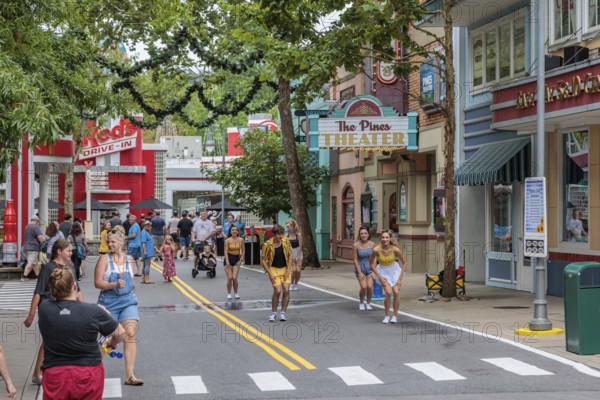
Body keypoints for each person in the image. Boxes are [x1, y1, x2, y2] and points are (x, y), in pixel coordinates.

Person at [40, 267, 125, 399]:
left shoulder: (44, 309)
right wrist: (111, 344)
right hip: (87, 372)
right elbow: (120, 332)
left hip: (55, 372)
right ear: (75, 286)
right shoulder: (93, 311)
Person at [24, 239, 83, 386]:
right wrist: (31, 315)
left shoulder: (71, 266)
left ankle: (62, 371)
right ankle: (37, 373)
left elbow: (77, 288)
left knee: (63, 339)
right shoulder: (48, 268)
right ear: (59, 251)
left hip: (69, 306)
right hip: (50, 307)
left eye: (71, 251)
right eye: (68, 250)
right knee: (49, 341)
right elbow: (38, 291)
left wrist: (83, 308)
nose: (71, 253)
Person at [94, 227, 143, 386]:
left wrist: (128, 289)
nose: (110, 244)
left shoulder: (129, 259)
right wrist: (114, 284)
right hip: (109, 302)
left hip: (127, 301)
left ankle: (130, 376)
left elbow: (132, 281)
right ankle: (90, 369)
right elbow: (97, 283)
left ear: (122, 242)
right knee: (107, 339)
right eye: (108, 242)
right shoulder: (104, 259)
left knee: (130, 333)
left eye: (113, 242)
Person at [369, 230, 406, 324]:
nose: (385, 239)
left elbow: (404, 263)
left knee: (396, 292)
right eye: (383, 237)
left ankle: (395, 316)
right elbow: (371, 264)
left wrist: (400, 279)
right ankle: (386, 316)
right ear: (380, 239)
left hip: (394, 270)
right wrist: (379, 277)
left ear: (390, 239)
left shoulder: (395, 249)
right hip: (382, 271)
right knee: (389, 293)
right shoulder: (376, 250)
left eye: (387, 237)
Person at [261, 224, 293, 322]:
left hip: (285, 268)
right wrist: (269, 273)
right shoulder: (267, 244)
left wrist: (288, 271)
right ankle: (273, 313)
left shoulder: (286, 241)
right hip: (273, 269)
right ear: (274, 234)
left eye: (282, 234)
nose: (281, 236)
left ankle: (283, 313)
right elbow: (263, 260)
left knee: (286, 290)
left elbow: (290, 256)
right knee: (277, 291)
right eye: (279, 234)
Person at [353, 226, 375, 311]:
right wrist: (359, 272)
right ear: (359, 234)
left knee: (369, 286)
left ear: (368, 234)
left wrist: (374, 271)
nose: (363, 235)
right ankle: (361, 302)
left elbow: (375, 258)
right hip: (360, 267)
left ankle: (368, 303)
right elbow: (355, 259)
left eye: (365, 233)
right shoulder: (356, 245)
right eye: (362, 233)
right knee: (363, 286)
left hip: (370, 267)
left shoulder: (372, 244)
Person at [22, 215, 46, 281]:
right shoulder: (36, 227)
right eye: (38, 221)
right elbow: (40, 237)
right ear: (36, 221)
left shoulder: (27, 227)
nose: (38, 222)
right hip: (33, 248)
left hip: (26, 247)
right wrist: (44, 241)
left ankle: (38, 277)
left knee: (34, 263)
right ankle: (24, 276)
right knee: (30, 263)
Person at [224, 226, 245, 299]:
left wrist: (240, 260)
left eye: (236, 230)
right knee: (230, 278)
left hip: (236, 259)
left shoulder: (241, 240)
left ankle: (236, 293)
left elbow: (243, 250)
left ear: (238, 232)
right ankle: (229, 293)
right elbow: (226, 251)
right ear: (230, 232)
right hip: (228, 259)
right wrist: (227, 262)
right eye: (233, 230)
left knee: (234, 277)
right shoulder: (227, 240)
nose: (234, 231)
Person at [286, 219, 303, 291]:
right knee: (293, 270)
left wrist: (298, 256)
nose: (288, 228)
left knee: (298, 270)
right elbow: (286, 247)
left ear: (293, 226)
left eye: (289, 226)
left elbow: (300, 245)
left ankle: (296, 284)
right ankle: (291, 284)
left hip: (298, 251)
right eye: (287, 226)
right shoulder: (286, 236)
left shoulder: (298, 235)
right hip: (290, 253)